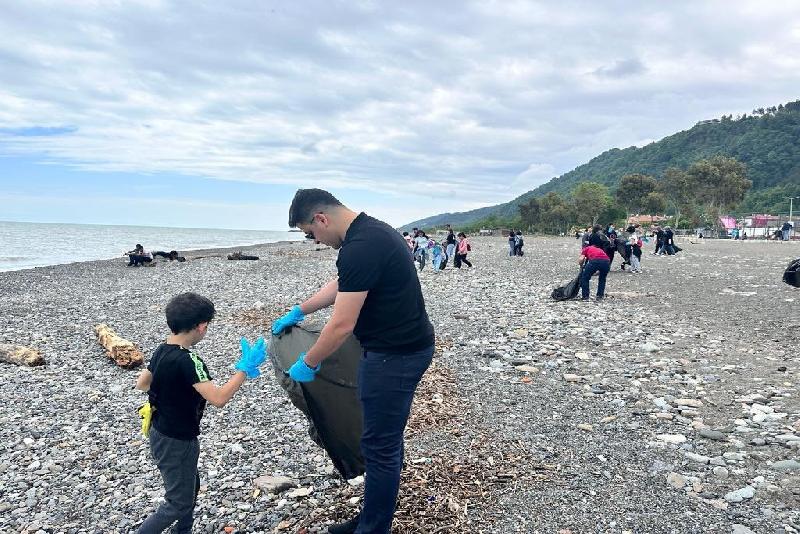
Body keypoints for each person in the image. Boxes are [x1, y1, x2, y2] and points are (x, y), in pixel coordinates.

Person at [272, 189, 435, 534]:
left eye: (310, 232)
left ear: (321, 218)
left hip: (395, 356)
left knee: (380, 445)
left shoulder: (360, 246)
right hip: (401, 348)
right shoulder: (372, 232)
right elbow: (343, 284)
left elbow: (342, 324)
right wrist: (301, 309)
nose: (315, 239)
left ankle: (373, 528)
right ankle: (370, 518)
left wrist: (309, 362)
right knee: (382, 439)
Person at [134, 293, 266, 534]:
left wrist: (172, 389)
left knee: (190, 487)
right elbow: (219, 398)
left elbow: (142, 383)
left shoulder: (162, 349)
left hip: (159, 430)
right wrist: (245, 368)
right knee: (177, 502)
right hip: (178, 438)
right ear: (202, 326)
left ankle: (183, 531)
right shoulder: (189, 360)